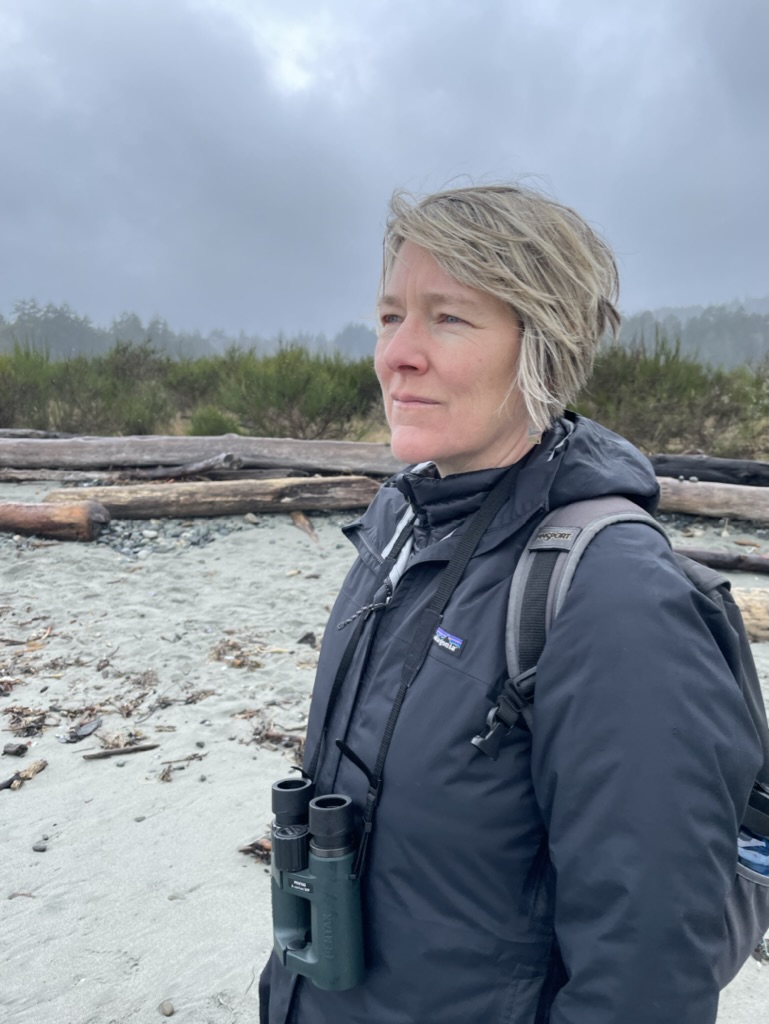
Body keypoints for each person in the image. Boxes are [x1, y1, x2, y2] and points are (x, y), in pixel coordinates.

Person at [259, 184, 763, 1023]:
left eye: (447, 318)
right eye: (390, 317)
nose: (396, 355)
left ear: (544, 346)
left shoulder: (612, 596)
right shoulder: (400, 521)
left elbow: (646, 976)